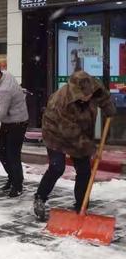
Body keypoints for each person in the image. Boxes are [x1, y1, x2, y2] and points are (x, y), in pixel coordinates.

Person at [33, 71, 116, 221]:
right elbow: (71, 132)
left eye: (90, 94)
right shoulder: (60, 101)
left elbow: (102, 96)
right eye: (85, 95)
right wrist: (91, 148)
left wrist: (108, 107)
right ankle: (40, 197)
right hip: (55, 133)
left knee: (84, 170)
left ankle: (81, 206)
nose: (88, 97)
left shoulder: (93, 86)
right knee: (57, 167)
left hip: (81, 132)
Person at [0, 62, 29, 198]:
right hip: (9, 121)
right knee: (1, 151)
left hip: (18, 122)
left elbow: (2, 112)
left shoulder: (4, 89)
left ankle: (18, 185)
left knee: (12, 154)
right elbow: (1, 106)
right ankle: (12, 178)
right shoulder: (6, 74)